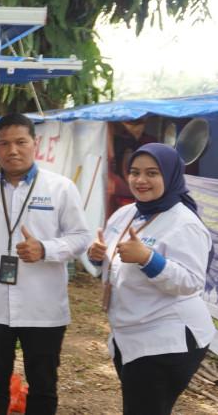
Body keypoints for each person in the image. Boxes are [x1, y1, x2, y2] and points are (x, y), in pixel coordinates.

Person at [0, 113, 91, 415]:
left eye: (20, 142)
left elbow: (81, 237)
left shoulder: (60, 188)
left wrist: (46, 249)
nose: (12, 150)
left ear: (34, 144)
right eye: (4, 143)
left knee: (43, 386)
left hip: (43, 309)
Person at [87, 142, 214, 415]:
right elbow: (113, 255)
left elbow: (191, 282)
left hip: (167, 339)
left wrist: (148, 258)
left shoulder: (184, 223)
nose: (140, 180)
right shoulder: (126, 213)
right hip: (131, 334)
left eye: (152, 173)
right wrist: (97, 255)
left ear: (170, 176)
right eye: (134, 172)